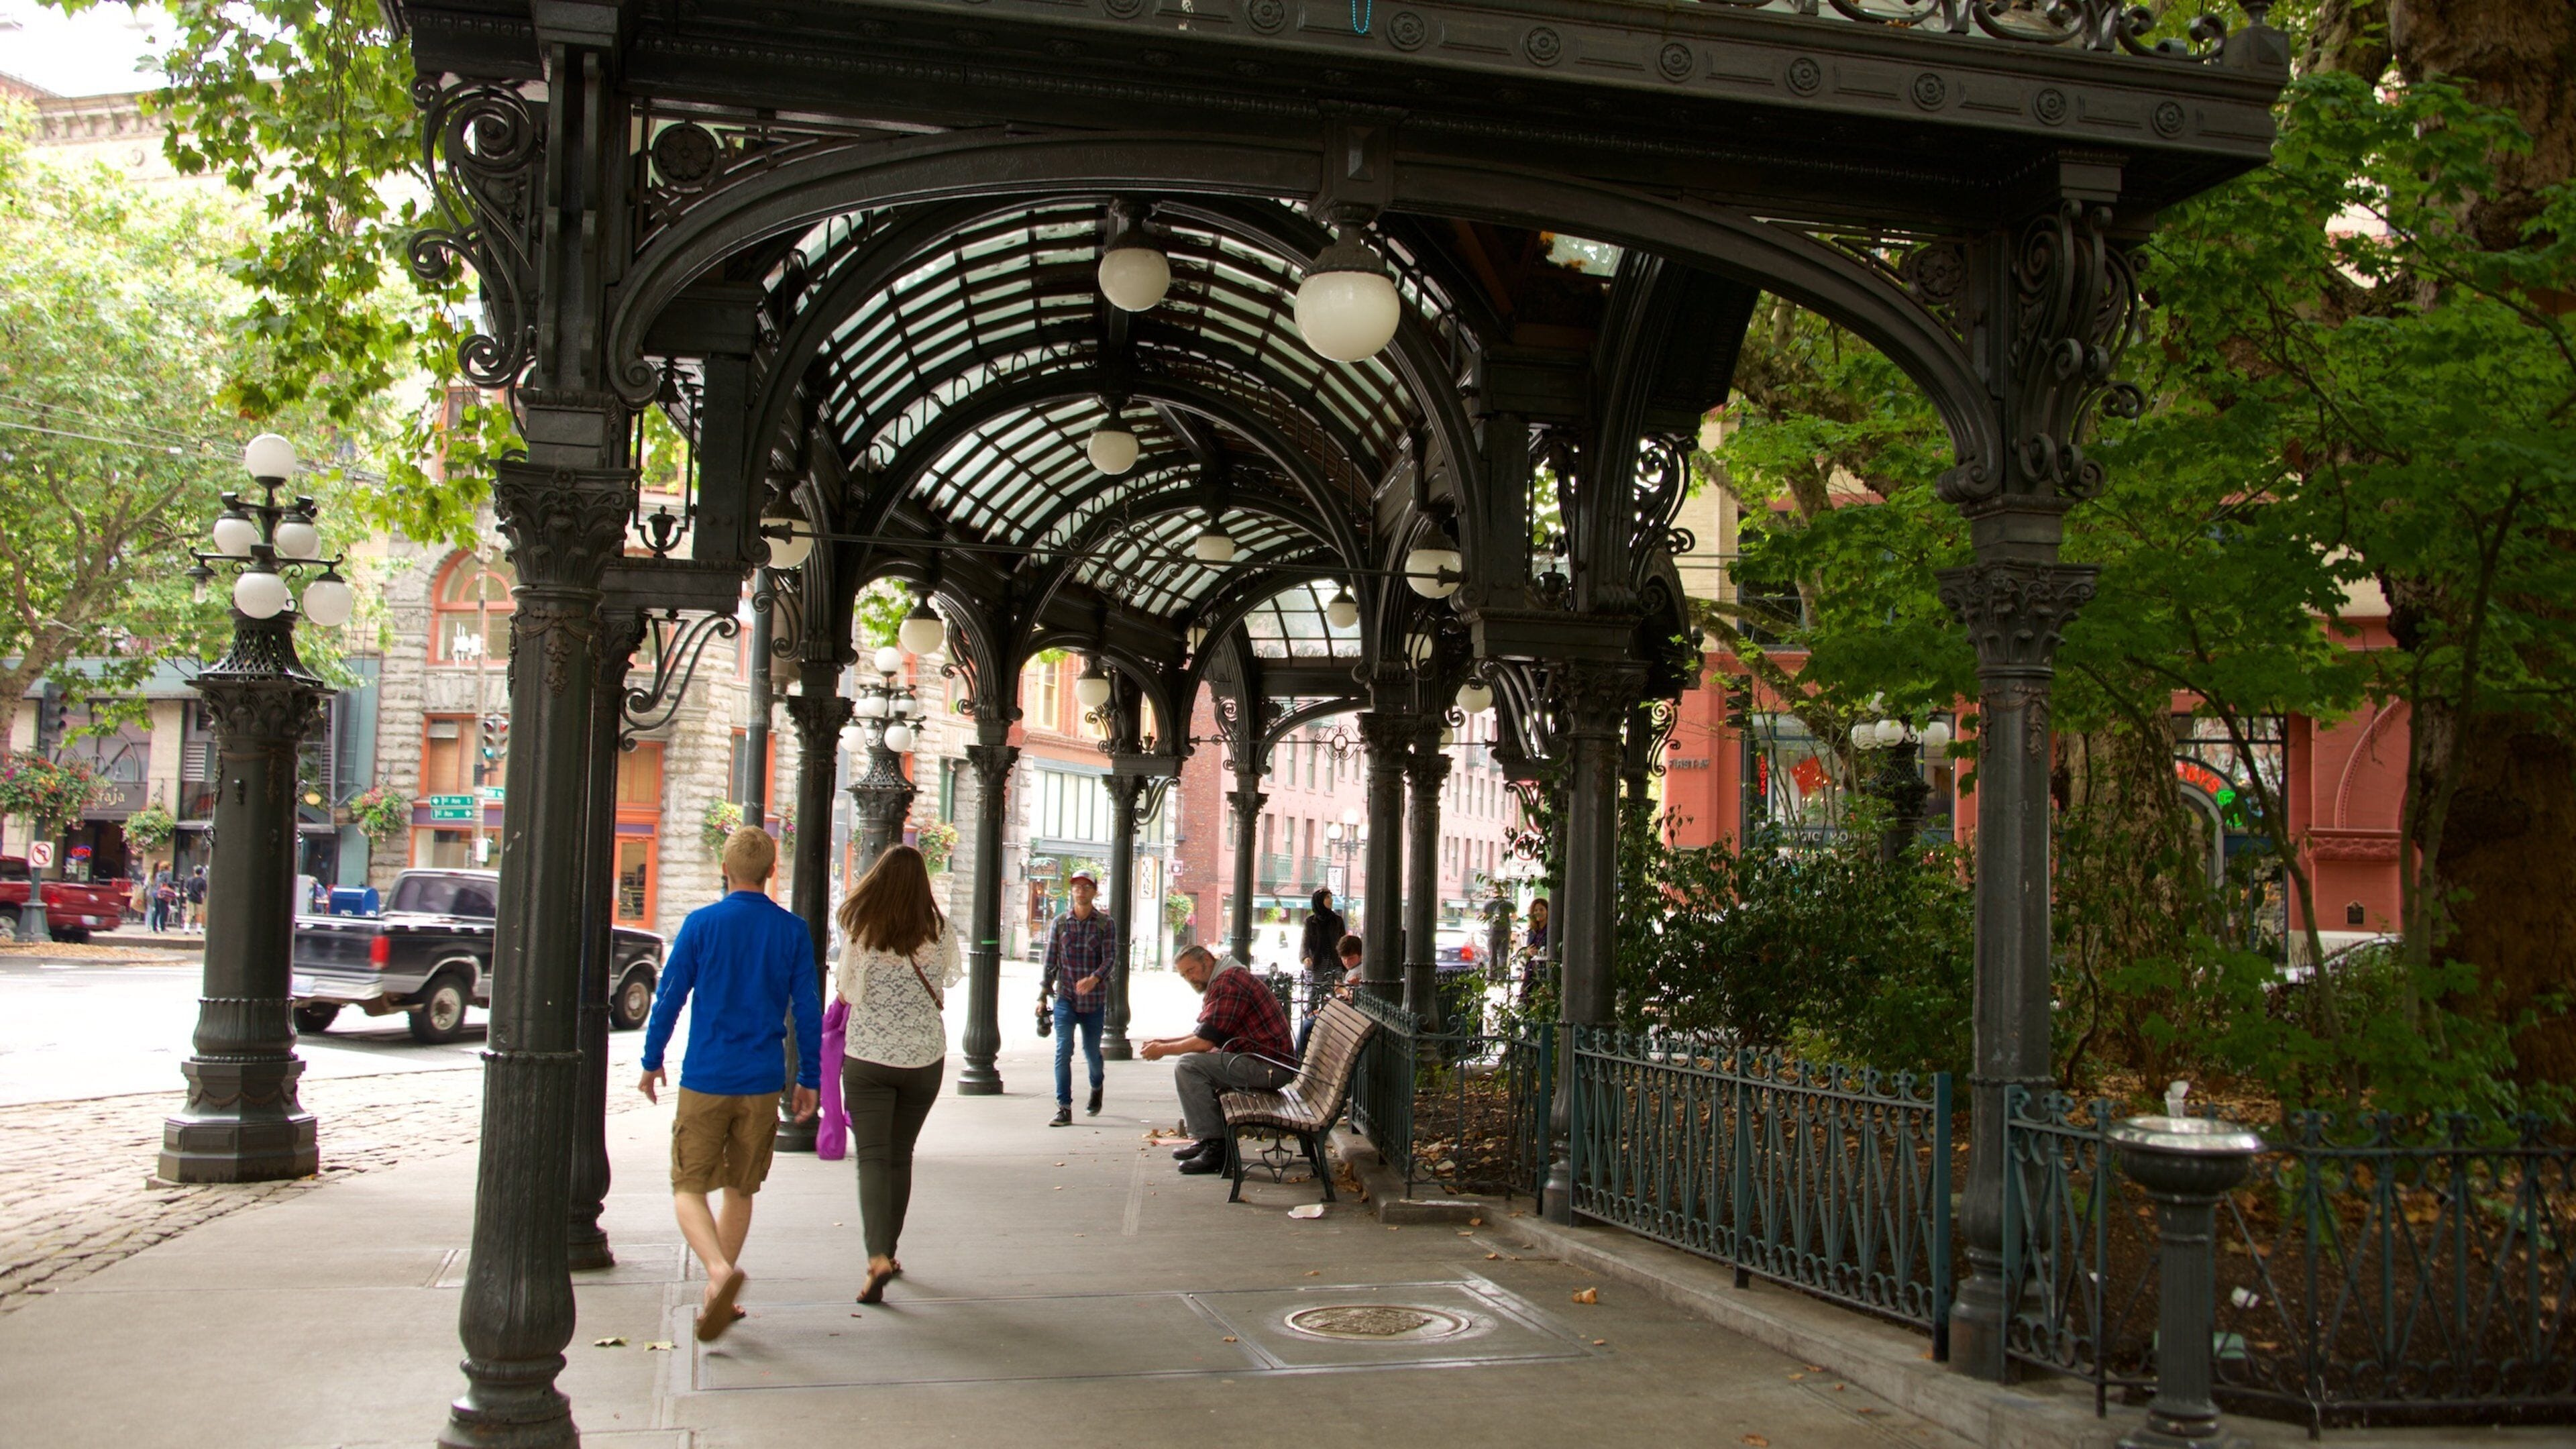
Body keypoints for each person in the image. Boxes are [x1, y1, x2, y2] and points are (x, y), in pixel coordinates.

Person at [639, 826, 822, 1343]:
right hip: (761, 1081)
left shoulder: (701, 925)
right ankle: (714, 1295)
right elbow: (807, 1008)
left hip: (707, 1075)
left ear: (725, 869)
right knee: (741, 1188)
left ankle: (718, 1274)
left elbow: (670, 997)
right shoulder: (791, 931)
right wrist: (809, 1077)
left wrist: (652, 1059)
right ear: (771, 872)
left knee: (688, 1185)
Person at [833, 843, 961, 1305]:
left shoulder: (863, 930)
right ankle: (889, 1250)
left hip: (869, 1059)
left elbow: (847, 992)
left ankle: (876, 1256)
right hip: (924, 1060)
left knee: (872, 1157)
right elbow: (948, 979)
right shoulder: (940, 930)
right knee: (900, 1155)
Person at [1140, 945, 1297, 1175]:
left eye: (1191, 970)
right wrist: (1162, 1042)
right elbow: (1205, 1032)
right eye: (1183, 975)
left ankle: (1216, 1149)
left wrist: (1163, 1050)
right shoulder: (1225, 977)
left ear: (1207, 960)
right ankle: (1206, 1140)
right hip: (1260, 1061)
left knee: (1188, 1066)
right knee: (1193, 1062)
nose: (1189, 978)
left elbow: (1205, 1042)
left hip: (1270, 1067)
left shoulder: (1229, 983)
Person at [1038, 869, 1114, 1127]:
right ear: (1072, 891)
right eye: (1077, 887)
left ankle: (1097, 1085)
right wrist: (1042, 995)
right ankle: (1064, 1106)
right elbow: (1050, 961)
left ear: (1095, 892)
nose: (1081, 891)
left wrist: (1095, 978)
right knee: (1063, 1049)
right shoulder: (1060, 923)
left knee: (1092, 1052)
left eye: (1086, 887)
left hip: (1094, 1001)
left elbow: (1110, 958)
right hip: (1066, 998)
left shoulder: (1104, 924)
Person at [1292, 887, 1344, 1051]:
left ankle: (1333, 1032)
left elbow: (1343, 942)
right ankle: (1311, 1035)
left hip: (1334, 962)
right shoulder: (1311, 922)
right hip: (1317, 964)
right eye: (1327, 898)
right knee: (1313, 997)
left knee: (1337, 996)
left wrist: (1344, 960)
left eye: (1331, 897)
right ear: (1319, 901)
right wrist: (1306, 957)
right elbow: (1305, 943)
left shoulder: (1337, 921)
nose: (1331, 900)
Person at [184, 865, 207, 930]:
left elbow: (186, 888)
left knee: (189, 914)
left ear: (194, 872)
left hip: (190, 898)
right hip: (199, 899)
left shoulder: (190, 880)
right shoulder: (203, 881)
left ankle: (186, 929)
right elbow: (204, 890)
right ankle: (199, 929)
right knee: (199, 914)